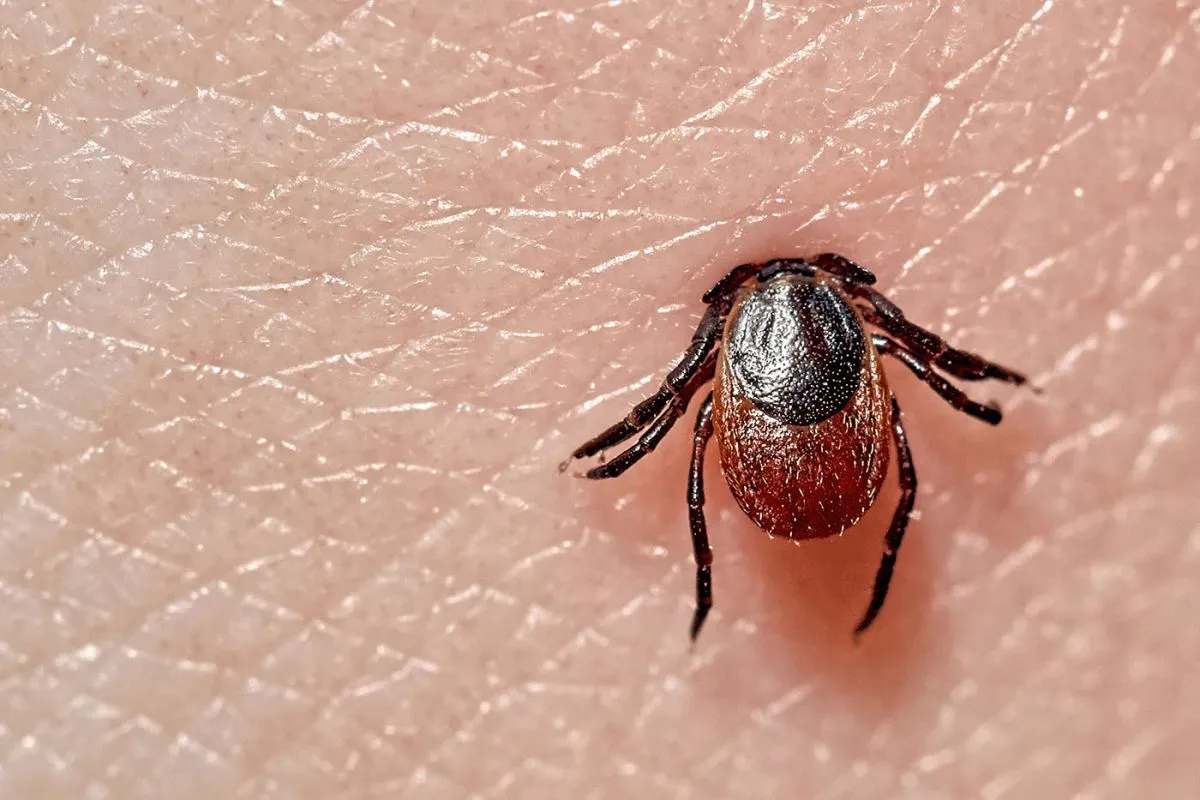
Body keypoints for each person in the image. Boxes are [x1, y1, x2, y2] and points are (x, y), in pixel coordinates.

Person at [2, 2, 1195, 796]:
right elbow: (934, 367)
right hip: (815, 470)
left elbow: (678, 407)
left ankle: (719, 583)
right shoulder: (858, 334)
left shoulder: (733, 370)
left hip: (779, 463)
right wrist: (972, 384)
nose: (795, 293)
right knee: (886, 479)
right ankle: (727, 583)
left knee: (716, 469)